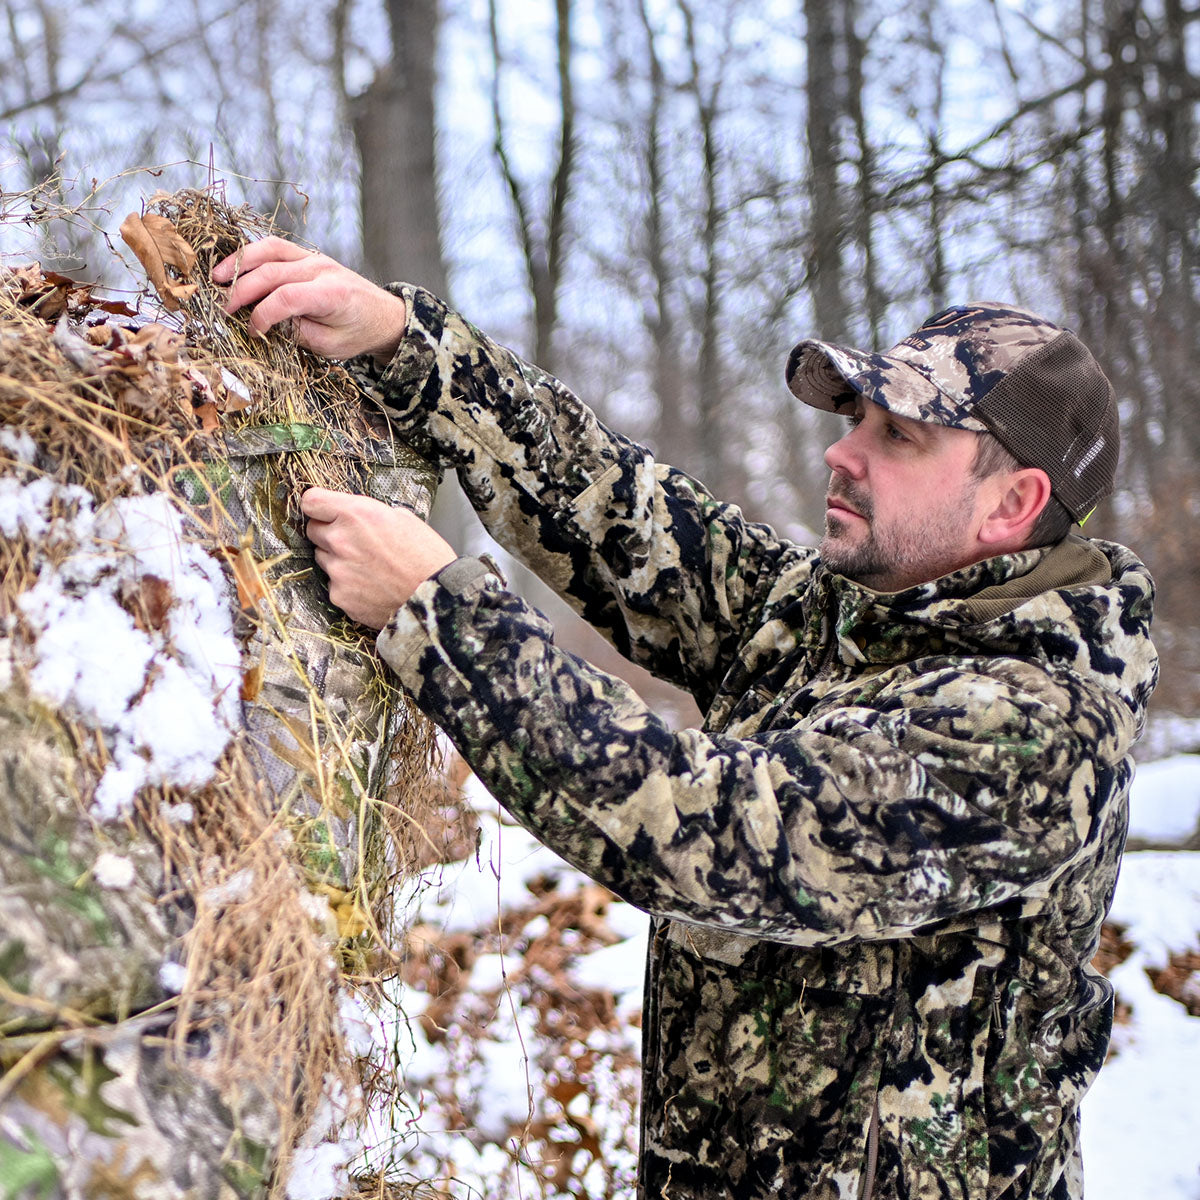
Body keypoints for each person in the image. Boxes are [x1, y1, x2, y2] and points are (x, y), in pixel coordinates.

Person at [213, 240, 1158, 1200]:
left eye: (898, 437)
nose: (841, 451)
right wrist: (404, 343)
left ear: (1014, 503)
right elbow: (619, 517)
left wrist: (440, 613)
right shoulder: (842, 613)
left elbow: (709, 829)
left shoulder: (1038, 728)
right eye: (855, 418)